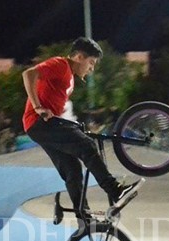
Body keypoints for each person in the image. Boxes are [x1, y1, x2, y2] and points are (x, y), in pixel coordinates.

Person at [22, 37, 141, 216]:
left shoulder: (69, 76)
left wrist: (73, 126)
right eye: (91, 63)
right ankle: (115, 190)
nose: (92, 68)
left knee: (72, 170)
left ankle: (82, 214)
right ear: (79, 57)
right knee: (87, 146)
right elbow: (29, 74)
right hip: (39, 123)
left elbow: (56, 107)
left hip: (40, 127)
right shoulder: (61, 65)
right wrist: (38, 106)